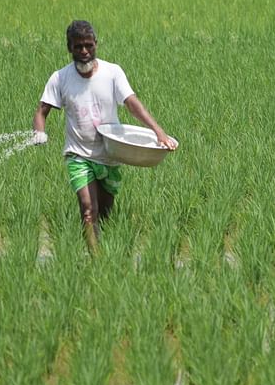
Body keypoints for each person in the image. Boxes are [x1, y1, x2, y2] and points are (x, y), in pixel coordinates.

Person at [32, 20, 176, 253]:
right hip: (78, 155)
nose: (84, 51)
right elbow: (41, 111)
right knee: (88, 209)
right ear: (69, 47)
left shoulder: (112, 72)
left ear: (96, 44)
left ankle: (106, 250)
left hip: (111, 154)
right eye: (78, 47)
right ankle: (95, 259)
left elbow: (132, 104)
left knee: (106, 213)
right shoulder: (60, 78)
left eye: (88, 45)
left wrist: (158, 132)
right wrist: (39, 131)